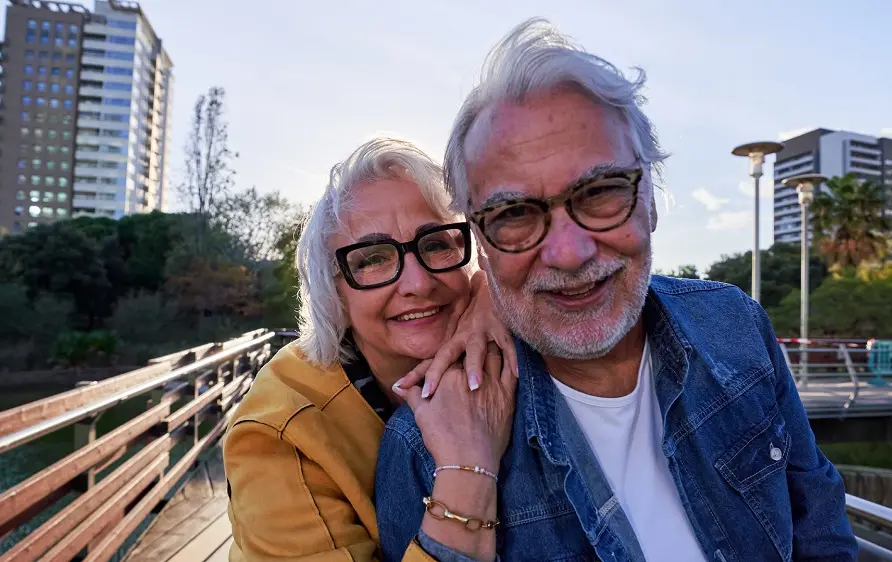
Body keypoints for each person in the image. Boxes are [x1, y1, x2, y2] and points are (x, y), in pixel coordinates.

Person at [374, 18, 858, 562]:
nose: (569, 252)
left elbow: (819, 527)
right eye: (513, 214)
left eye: (601, 192)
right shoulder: (422, 454)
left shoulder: (736, 327)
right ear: (482, 245)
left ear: (651, 195)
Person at [224, 137, 518, 561]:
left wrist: (493, 293)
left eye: (436, 244)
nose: (417, 283)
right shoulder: (279, 433)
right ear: (334, 292)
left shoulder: (488, 319)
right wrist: (466, 471)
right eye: (372, 259)